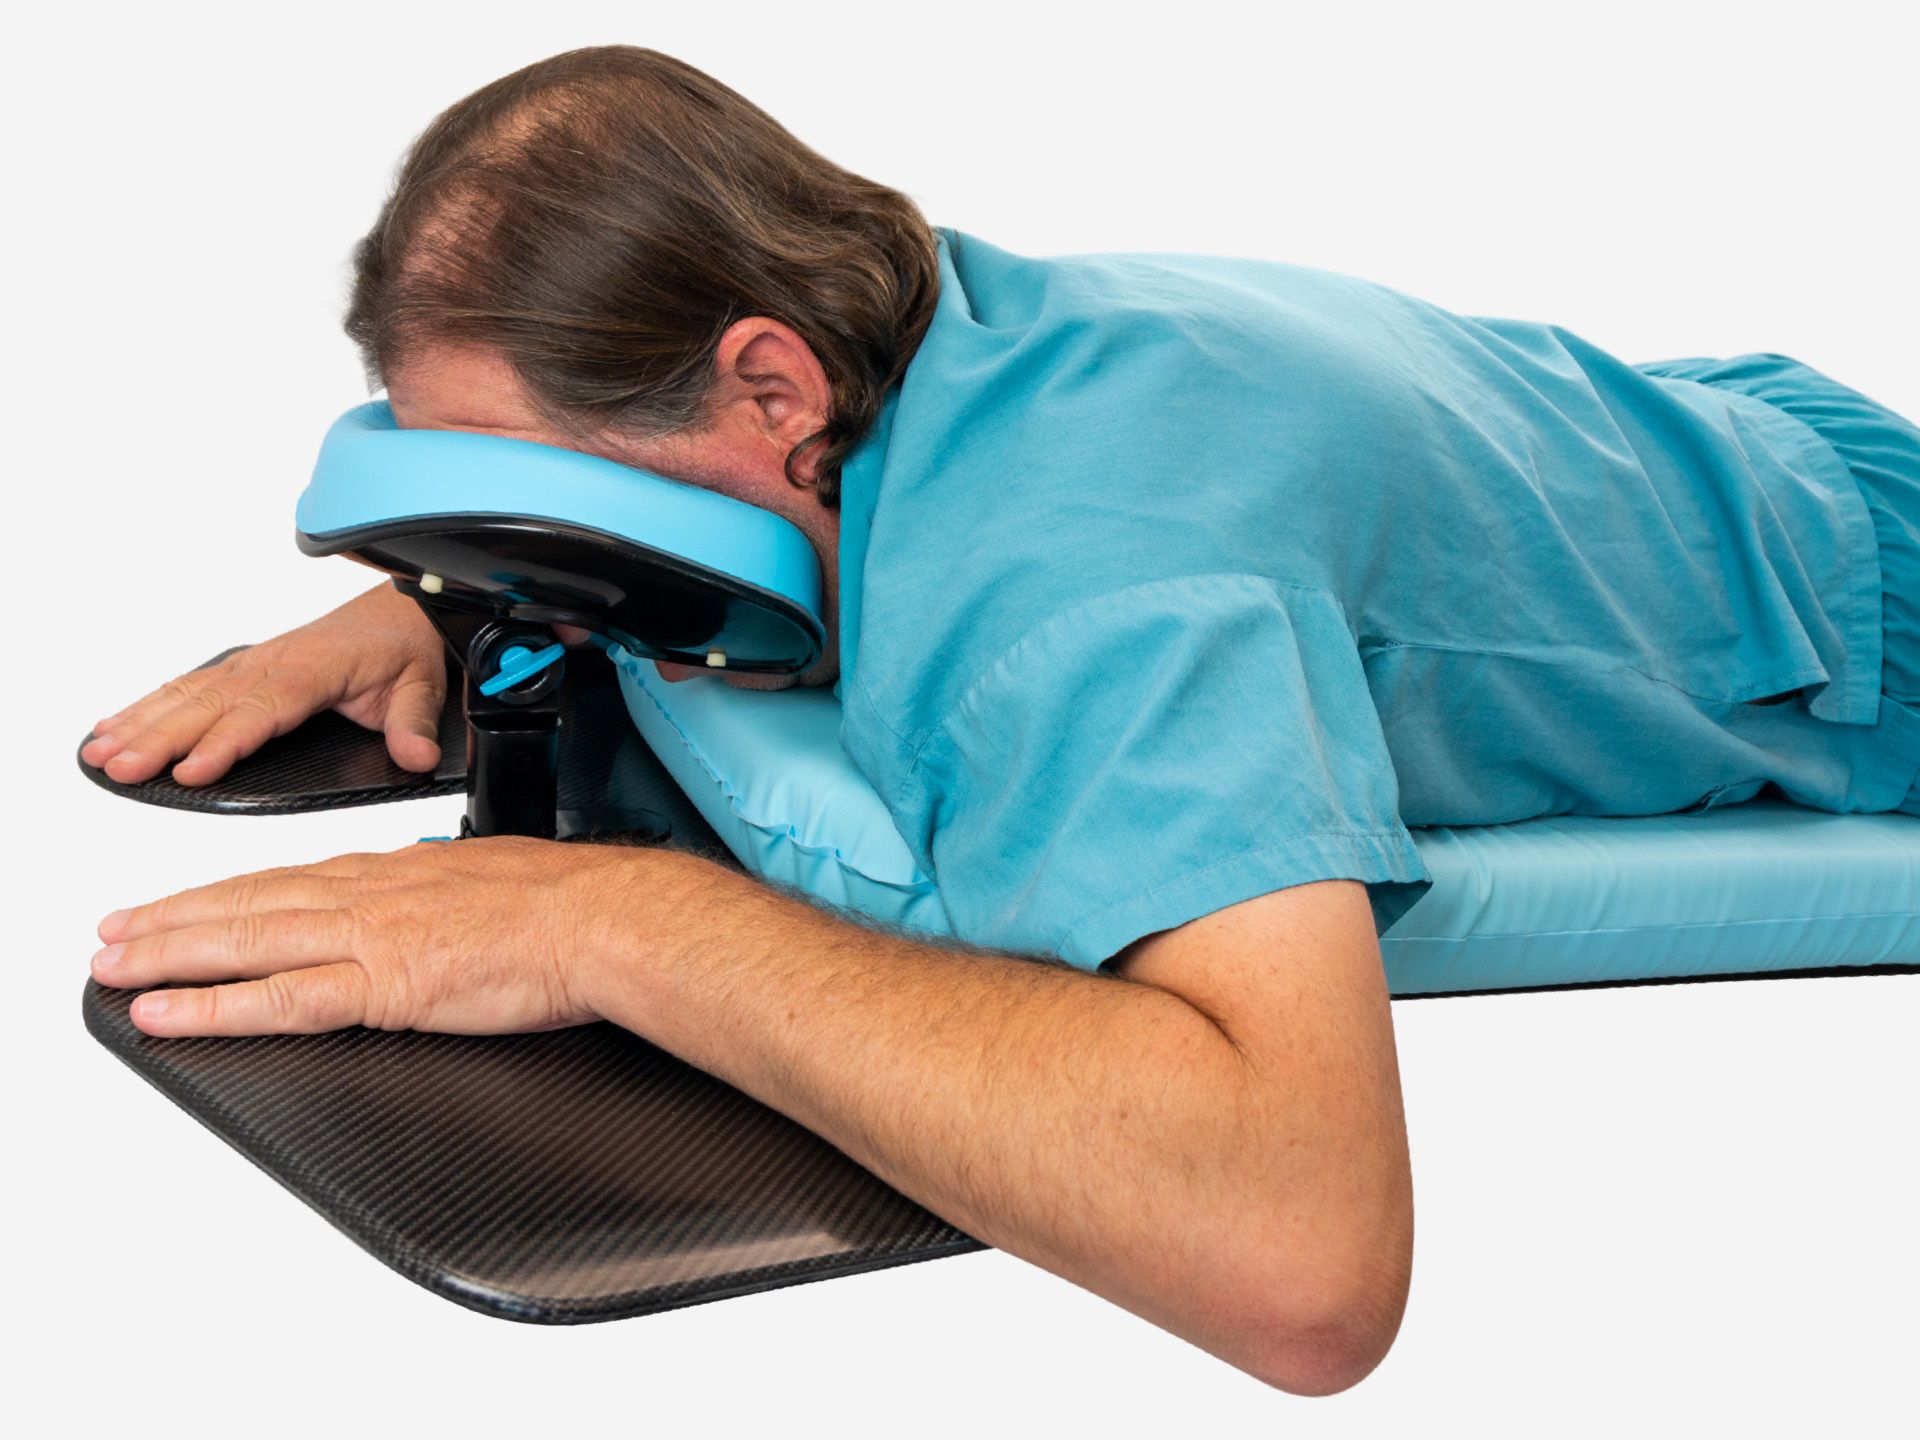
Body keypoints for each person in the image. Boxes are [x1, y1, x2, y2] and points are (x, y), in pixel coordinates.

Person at [78, 46, 1920, 1394]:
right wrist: (440, 593)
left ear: (769, 381)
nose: (541, 577)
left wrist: (602, 922)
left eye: (554, 505)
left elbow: (1306, 1263)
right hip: (1710, 439)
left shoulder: (1095, 603)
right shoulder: (906, 319)